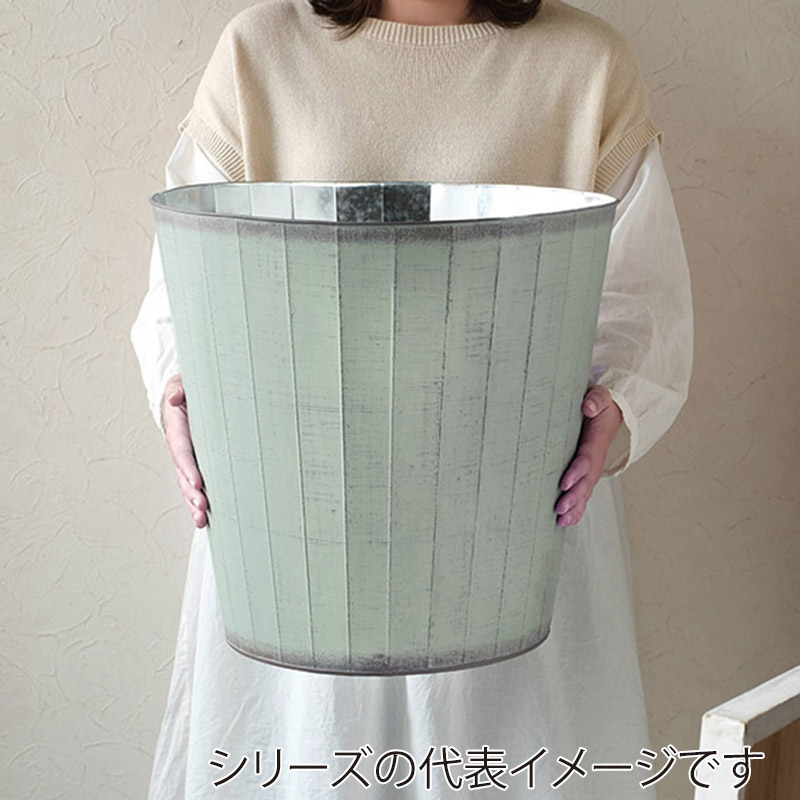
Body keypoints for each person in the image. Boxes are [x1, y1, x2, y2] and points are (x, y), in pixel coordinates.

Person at [130, 0, 693, 797]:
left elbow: (641, 294)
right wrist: (177, 390)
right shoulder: (262, 50)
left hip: (511, 520)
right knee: (309, 766)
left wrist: (617, 412)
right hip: (298, 528)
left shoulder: (587, 64)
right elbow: (186, 269)